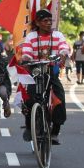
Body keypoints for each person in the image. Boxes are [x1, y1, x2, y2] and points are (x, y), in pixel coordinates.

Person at [20, 9, 69, 145]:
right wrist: (25, 58)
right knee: (29, 98)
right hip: (36, 71)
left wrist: (63, 54)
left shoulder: (57, 35)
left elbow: (64, 47)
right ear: (38, 23)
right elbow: (27, 51)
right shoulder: (31, 36)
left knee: (59, 97)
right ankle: (30, 126)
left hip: (51, 70)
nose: (48, 23)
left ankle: (55, 131)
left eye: (50, 21)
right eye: (45, 21)